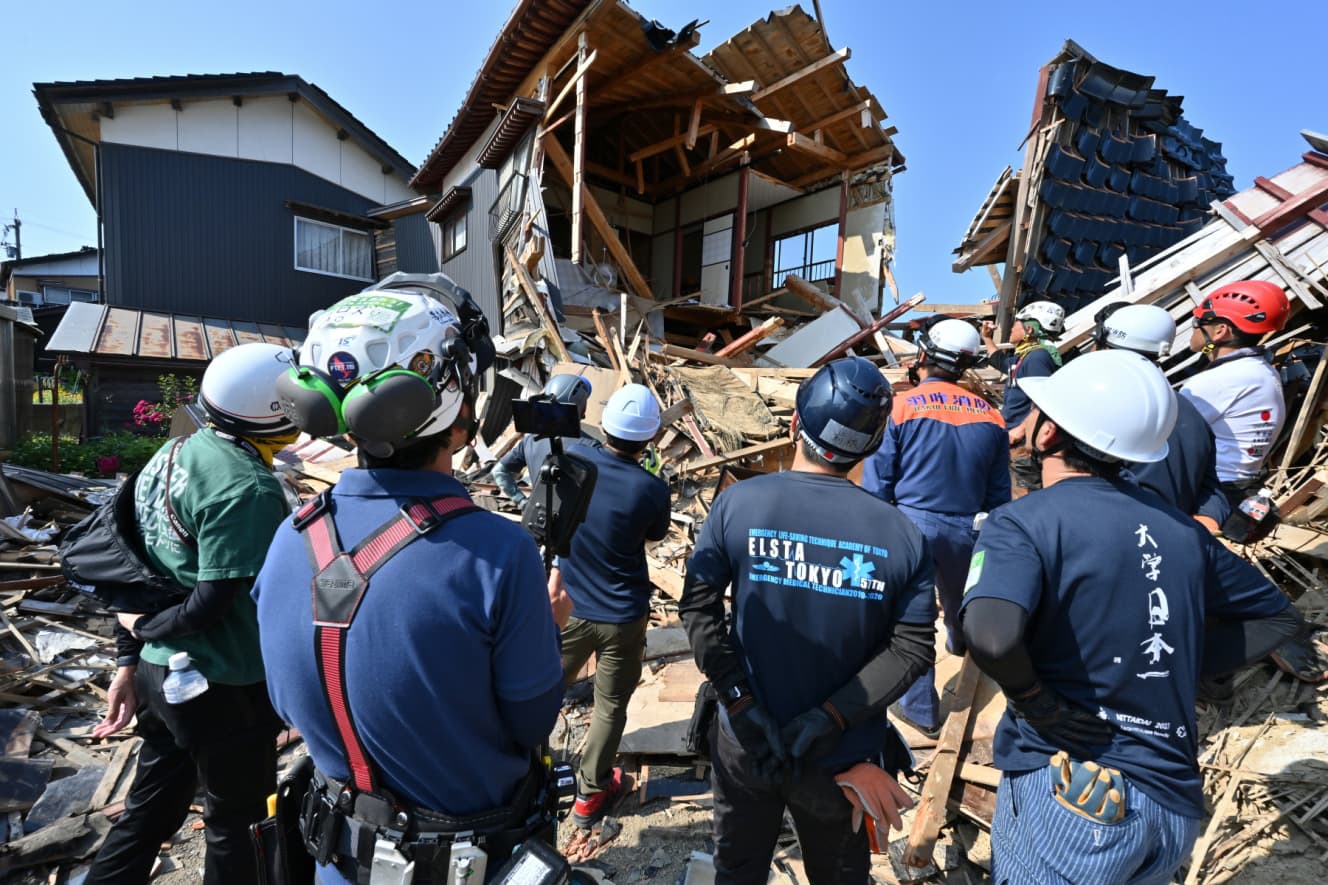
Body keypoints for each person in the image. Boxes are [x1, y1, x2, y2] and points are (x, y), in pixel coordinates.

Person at [254, 281, 564, 884]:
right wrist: (547, 634)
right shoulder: (499, 554)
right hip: (466, 860)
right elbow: (532, 724)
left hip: (341, 858)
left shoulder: (292, 538)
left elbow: (287, 698)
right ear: (458, 413)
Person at [959, 349, 1304, 885]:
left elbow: (991, 636)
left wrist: (1035, 701)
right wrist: (1180, 663)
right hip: (1172, 805)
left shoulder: (1023, 522)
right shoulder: (1181, 530)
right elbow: (1279, 619)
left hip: (1074, 791)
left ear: (1049, 434)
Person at [680, 357, 935, 885]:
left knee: (737, 869)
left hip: (746, 742)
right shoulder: (902, 534)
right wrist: (830, 718)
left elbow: (698, 608)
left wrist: (739, 700)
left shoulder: (738, 504)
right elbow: (911, 650)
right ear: (869, 446)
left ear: (797, 425)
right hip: (841, 761)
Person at [86, 342, 300, 885]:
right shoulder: (248, 489)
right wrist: (143, 629)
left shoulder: (176, 451)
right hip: (224, 685)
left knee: (150, 809)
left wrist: (131, 658)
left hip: (165, 680)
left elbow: (133, 565)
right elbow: (211, 604)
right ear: (277, 411)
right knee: (239, 823)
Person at [862, 318, 1009, 737]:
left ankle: (920, 710)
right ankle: (964, 648)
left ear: (923, 355)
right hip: (968, 526)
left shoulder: (902, 406)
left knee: (912, 617)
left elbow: (878, 483)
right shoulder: (991, 415)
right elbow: (999, 494)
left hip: (911, 524)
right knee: (962, 599)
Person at [552, 383, 672, 828]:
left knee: (543, 691)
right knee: (609, 706)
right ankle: (589, 796)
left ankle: (525, 771)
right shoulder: (652, 489)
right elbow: (654, 537)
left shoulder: (572, 465)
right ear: (651, 438)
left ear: (604, 424)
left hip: (570, 607)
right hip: (623, 615)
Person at [1090, 302, 1230, 531]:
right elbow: (1213, 489)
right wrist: (1206, 521)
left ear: (1105, 347)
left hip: (1122, 539)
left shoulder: (1101, 409)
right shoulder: (1190, 410)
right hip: (1168, 543)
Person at [1179, 280, 1291, 509]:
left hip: (1209, 493)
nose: (1192, 329)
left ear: (1220, 331)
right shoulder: (1261, 371)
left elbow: (1164, 435)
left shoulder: (1219, 380)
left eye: (1197, 322)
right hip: (1237, 489)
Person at [982, 300, 1065, 492]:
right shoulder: (1023, 358)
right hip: (1014, 440)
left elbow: (1045, 401)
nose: (1011, 328)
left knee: (1022, 495)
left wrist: (1020, 430)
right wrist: (987, 338)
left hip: (1022, 444)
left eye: (1016, 323)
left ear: (1029, 329)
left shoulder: (1038, 358)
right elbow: (1000, 362)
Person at [492, 374, 594, 506]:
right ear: (582, 407)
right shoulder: (591, 446)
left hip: (538, 519)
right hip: (574, 524)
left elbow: (499, 472)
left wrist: (521, 501)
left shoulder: (530, 440)